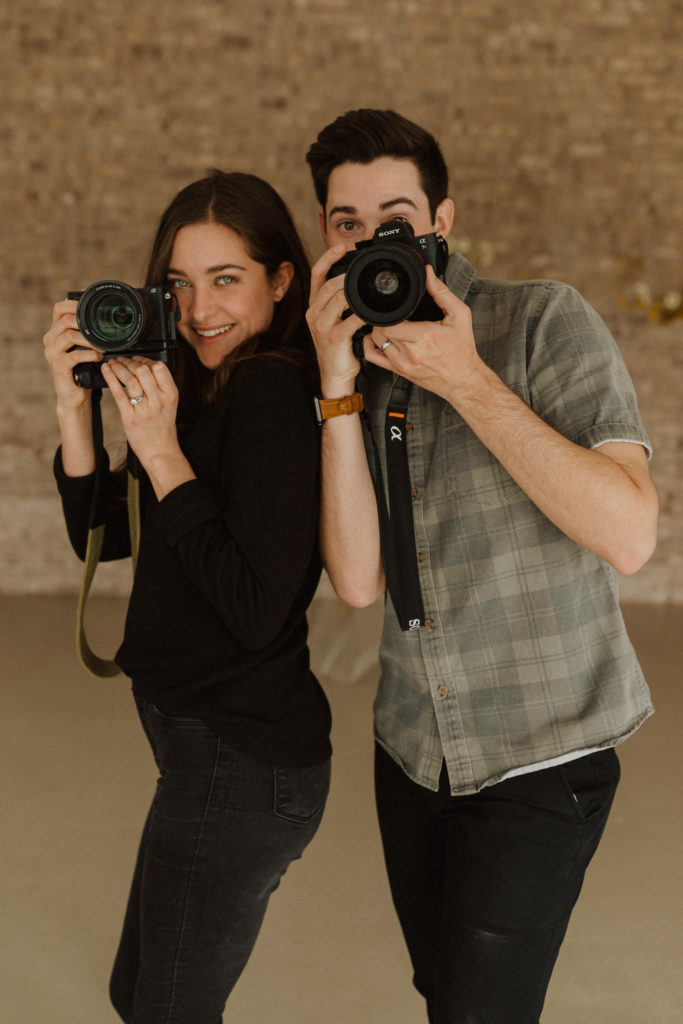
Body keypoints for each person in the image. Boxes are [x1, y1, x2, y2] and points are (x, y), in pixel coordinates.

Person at [305, 109, 658, 1023]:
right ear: (326, 237)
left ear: (440, 221)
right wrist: (337, 386)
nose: (370, 238)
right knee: (446, 997)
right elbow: (354, 582)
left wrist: (466, 379)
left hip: (542, 750)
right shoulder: (356, 360)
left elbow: (628, 532)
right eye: (347, 222)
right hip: (412, 750)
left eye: (393, 216)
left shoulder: (541, 318)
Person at [43, 170, 332, 1023]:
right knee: (139, 996)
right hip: (204, 756)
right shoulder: (205, 380)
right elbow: (113, 537)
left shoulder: (274, 392)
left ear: (282, 281)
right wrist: (74, 408)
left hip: (239, 765)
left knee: (165, 1010)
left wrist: (163, 453)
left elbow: (253, 609)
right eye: (178, 284)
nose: (200, 308)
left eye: (226, 279)